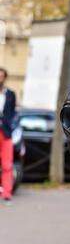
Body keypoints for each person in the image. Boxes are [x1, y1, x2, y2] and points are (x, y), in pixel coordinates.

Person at [0, 67, 16, 206]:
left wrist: (10, 124)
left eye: (1, 76)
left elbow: (12, 113)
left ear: (5, 78)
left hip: (6, 132)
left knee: (7, 165)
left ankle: (6, 193)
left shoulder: (11, 94)